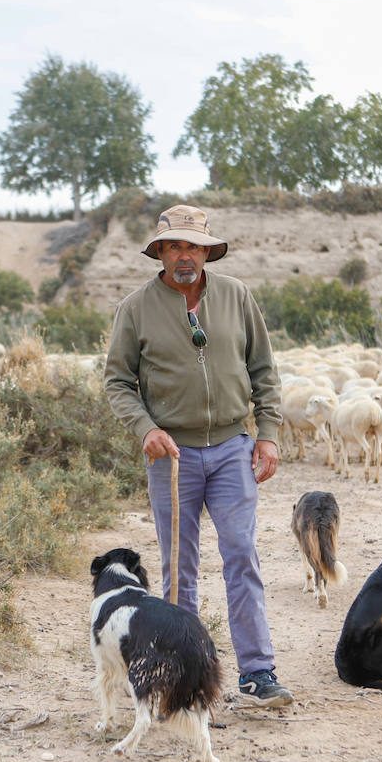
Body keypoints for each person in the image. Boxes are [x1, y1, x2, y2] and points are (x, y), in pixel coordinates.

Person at [104, 204, 293, 708]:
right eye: (174, 247)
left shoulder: (235, 296)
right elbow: (118, 382)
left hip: (233, 447)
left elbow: (265, 372)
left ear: (207, 251)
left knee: (241, 558)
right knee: (178, 570)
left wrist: (268, 434)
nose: (184, 256)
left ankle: (257, 673)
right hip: (172, 456)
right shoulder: (136, 307)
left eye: (193, 246)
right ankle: (181, 676)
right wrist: (145, 428)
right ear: (160, 253)